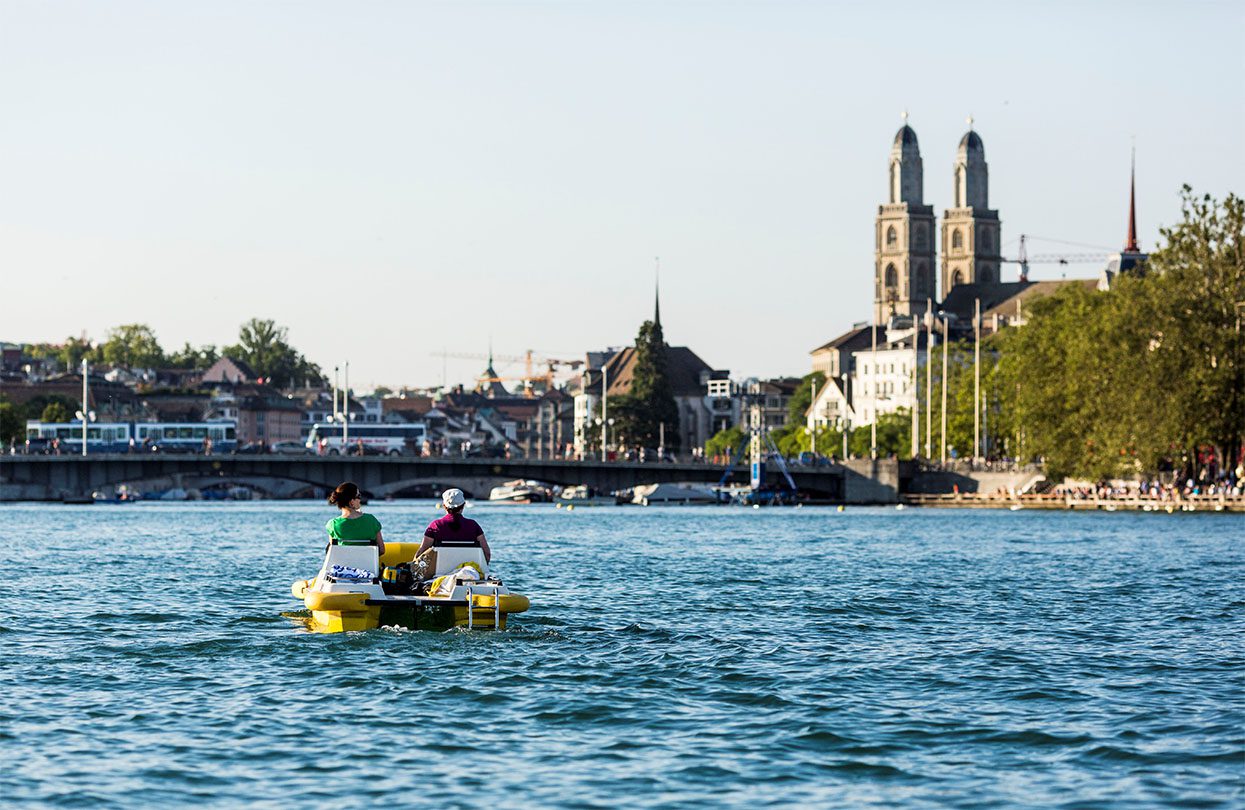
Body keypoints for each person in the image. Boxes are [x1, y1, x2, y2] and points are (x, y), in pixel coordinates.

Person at [415, 489, 491, 575]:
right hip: (470, 575)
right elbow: (487, 554)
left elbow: (422, 553)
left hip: (439, 575)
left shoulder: (436, 525)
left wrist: (414, 569)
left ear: (444, 506)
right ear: (463, 505)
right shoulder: (473, 525)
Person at [325, 481, 384, 556]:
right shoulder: (371, 520)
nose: (360, 500)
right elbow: (382, 550)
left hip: (344, 565)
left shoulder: (332, 524)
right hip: (368, 565)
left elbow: (332, 552)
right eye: (358, 496)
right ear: (352, 501)